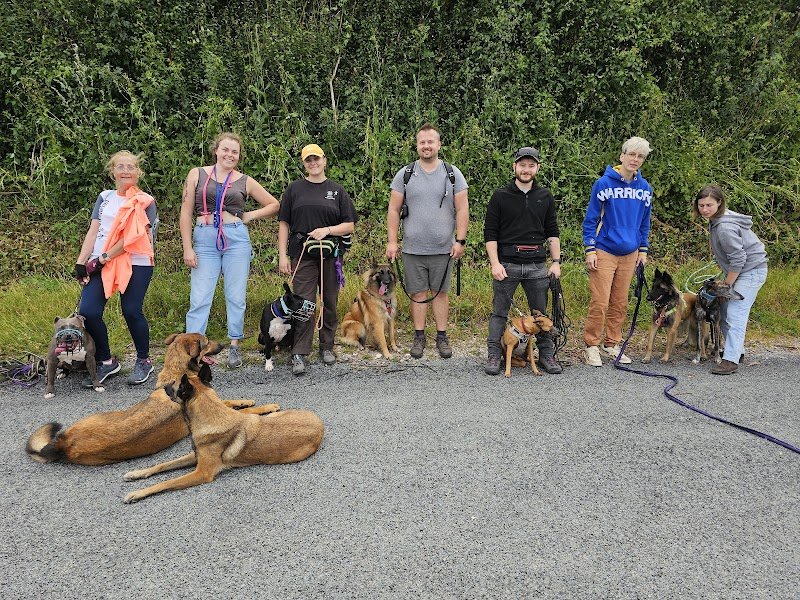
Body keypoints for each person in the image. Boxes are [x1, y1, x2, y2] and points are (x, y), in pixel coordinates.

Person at [180, 132, 280, 368]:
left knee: (235, 296)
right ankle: (194, 348)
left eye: (234, 152)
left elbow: (274, 205)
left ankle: (235, 346)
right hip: (204, 238)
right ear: (216, 150)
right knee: (200, 297)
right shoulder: (197, 174)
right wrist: (187, 247)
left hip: (235, 238)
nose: (230, 155)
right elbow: (185, 212)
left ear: (239, 156)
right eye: (225, 150)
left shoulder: (244, 180)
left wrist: (248, 216)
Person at [385, 123, 468, 359]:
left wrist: (460, 241)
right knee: (418, 292)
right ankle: (419, 336)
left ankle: (442, 336)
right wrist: (392, 241)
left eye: (431, 141)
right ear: (417, 145)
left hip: (444, 248)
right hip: (412, 248)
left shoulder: (453, 174)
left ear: (439, 144)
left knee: (441, 293)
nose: (426, 146)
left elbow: (462, 209)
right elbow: (393, 209)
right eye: (422, 142)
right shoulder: (406, 174)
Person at [74, 150, 157, 386]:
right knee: (88, 311)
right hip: (100, 260)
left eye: (131, 167)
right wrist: (82, 262)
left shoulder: (145, 201)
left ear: (138, 172)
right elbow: (94, 230)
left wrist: (102, 259)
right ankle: (106, 361)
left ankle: (143, 360)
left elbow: (133, 237)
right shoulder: (105, 197)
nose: (126, 171)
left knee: (131, 310)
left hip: (136, 261)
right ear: (113, 172)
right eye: (120, 167)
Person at [278, 143, 357, 376]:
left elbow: (349, 224)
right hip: (302, 253)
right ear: (304, 164)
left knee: (329, 301)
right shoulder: (294, 190)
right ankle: (299, 352)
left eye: (317, 159)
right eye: (308, 160)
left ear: (324, 160)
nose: (313, 163)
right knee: (303, 302)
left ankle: (326, 346)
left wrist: (328, 230)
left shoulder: (337, 190)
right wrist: (283, 255)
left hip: (330, 253)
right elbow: (284, 224)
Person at [483, 147, 562, 376]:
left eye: (531, 165)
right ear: (514, 167)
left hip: (537, 264)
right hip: (507, 264)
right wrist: (495, 263)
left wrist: (556, 262)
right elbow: (490, 233)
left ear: (537, 168)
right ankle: (494, 354)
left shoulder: (545, 196)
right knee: (499, 312)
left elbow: (553, 231)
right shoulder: (500, 196)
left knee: (541, 313)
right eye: (522, 165)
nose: (526, 169)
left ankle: (546, 354)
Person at [582, 136, 653, 366]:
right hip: (604, 250)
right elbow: (591, 219)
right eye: (631, 154)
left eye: (640, 156)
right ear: (622, 156)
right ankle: (591, 345)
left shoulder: (645, 189)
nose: (635, 159)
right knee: (600, 301)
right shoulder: (604, 184)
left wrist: (643, 250)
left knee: (620, 302)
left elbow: (645, 222)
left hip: (630, 253)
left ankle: (612, 343)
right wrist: (590, 249)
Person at [694, 184, 768, 375]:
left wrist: (726, 285)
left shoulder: (724, 227)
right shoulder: (717, 220)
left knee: (735, 312)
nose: (704, 209)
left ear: (719, 203)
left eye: (709, 205)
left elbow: (739, 258)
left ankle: (731, 360)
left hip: (751, 271)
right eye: (701, 205)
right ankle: (737, 351)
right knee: (724, 311)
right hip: (741, 270)